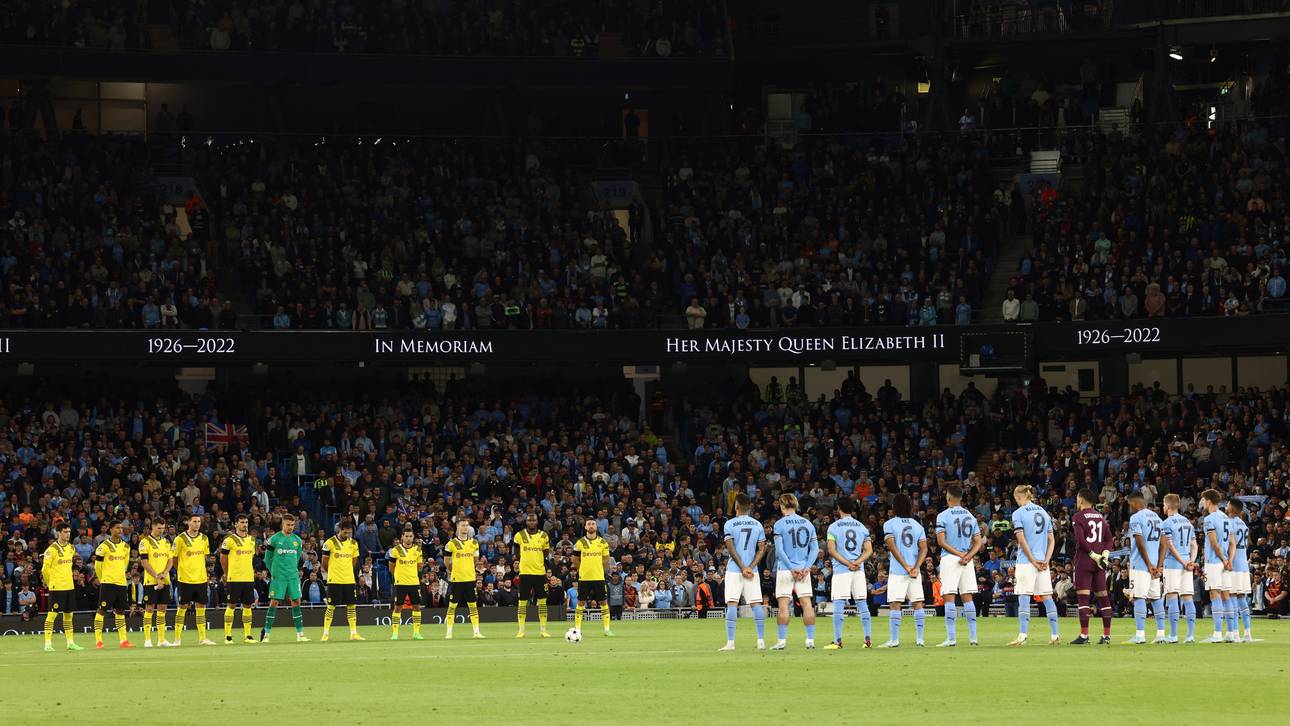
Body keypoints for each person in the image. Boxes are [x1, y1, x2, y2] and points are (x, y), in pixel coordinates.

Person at [1008, 485, 1060, 646]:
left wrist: (1032, 560)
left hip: (1027, 562)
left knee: (1024, 597)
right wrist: (1046, 560)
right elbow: (1052, 540)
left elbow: (1022, 540)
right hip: (1043, 563)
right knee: (1047, 597)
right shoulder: (1043, 512)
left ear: (1018, 497)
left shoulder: (1018, 513)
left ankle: (1022, 636)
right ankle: (1055, 635)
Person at [934, 485, 982, 647]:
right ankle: (973, 637)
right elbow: (978, 542)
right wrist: (968, 555)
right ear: (961, 498)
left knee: (949, 597)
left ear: (948, 498)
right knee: (967, 597)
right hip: (967, 561)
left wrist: (960, 555)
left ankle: (951, 638)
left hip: (950, 559)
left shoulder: (942, 516)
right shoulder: (970, 516)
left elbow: (941, 542)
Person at [718, 493, 767, 651]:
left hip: (734, 570)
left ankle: (731, 643)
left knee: (732, 603)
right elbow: (762, 548)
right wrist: (750, 567)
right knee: (756, 604)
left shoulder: (729, 524)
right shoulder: (758, 525)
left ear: (736, 507)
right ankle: (761, 641)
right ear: (750, 507)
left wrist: (742, 567)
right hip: (752, 571)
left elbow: (730, 548)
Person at [771, 493, 818, 650]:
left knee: (783, 606)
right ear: (796, 505)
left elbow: (779, 550)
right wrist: (806, 567)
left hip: (786, 569)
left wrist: (791, 568)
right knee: (807, 605)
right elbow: (815, 549)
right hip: (804, 569)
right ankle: (810, 641)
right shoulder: (808, 524)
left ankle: (782, 642)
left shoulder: (779, 524)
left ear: (782, 506)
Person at [825, 497, 873, 650]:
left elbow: (832, 551)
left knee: (839, 603)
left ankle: (837, 641)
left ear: (838, 508)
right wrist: (858, 562)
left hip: (842, 570)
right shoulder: (861, 527)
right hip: (858, 570)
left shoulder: (833, 527)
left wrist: (848, 563)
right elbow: (869, 550)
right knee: (861, 603)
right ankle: (868, 640)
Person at [880, 493, 927, 648]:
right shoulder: (917, 525)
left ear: (894, 507)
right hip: (914, 571)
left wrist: (906, 566)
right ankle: (920, 639)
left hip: (898, 570)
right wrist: (916, 567)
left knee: (895, 604)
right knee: (918, 603)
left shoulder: (889, 524)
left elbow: (892, 547)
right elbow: (924, 549)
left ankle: (894, 640)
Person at [1070, 489, 1114, 644]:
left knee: (1083, 598)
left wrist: (1093, 555)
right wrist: (1104, 556)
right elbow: (1109, 539)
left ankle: (1084, 636)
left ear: (1081, 500)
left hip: (1085, 560)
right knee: (1103, 597)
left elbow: (1080, 540)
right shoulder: (1100, 517)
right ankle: (1107, 636)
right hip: (1100, 563)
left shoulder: (1078, 516)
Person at [1125, 491, 1166, 644]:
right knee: (1156, 598)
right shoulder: (1157, 518)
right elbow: (1164, 543)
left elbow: (1140, 542)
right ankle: (1161, 635)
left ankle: (1140, 635)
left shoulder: (1135, 518)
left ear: (1135, 503)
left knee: (1138, 597)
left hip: (1141, 565)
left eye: (1129, 504)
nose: (1129, 508)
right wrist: (1159, 565)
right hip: (1155, 566)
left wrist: (1149, 564)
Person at [262, 513, 309, 642]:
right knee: (274, 602)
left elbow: (297, 557)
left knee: (296, 601)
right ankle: (267, 634)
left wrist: (292, 570)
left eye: (293, 525)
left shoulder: (297, 541)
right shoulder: (274, 539)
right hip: (279, 576)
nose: (290, 527)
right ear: (283, 524)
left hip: (292, 576)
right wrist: (273, 572)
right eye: (288, 525)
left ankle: (300, 634)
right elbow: (267, 558)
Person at [1159, 494, 1198, 643]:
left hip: (1173, 564)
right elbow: (1195, 545)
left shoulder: (1167, 523)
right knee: (1188, 598)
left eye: (1163, 504)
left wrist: (1182, 562)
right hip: (1187, 564)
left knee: (1172, 596)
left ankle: (1173, 635)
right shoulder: (1188, 522)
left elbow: (1170, 546)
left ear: (1167, 506)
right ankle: (1190, 636)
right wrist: (1191, 562)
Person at [173, 513, 215, 646]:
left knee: (201, 607)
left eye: (199, 521)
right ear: (188, 523)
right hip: (185, 579)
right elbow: (174, 558)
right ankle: (177, 639)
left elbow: (205, 557)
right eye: (194, 521)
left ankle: (202, 638)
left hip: (201, 579)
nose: (197, 524)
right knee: (182, 607)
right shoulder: (180, 539)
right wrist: (182, 570)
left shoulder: (204, 538)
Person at [92, 520, 134, 649]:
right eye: (117, 528)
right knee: (102, 609)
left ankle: (123, 641)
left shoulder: (126, 547)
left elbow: (125, 563)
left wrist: (122, 574)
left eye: (121, 528)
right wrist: (102, 578)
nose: (120, 530)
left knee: (120, 611)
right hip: (108, 582)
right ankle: (98, 640)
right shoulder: (103, 546)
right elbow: (98, 566)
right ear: (111, 529)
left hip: (121, 583)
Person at [42, 522, 83, 652]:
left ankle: (70, 642)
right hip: (56, 587)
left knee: (68, 615)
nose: (67, 534)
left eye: (69, 532)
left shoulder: (71, 548)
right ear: (58, 533)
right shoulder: (51, 550)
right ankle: (48, 643)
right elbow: (44, 569)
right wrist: (50, 583)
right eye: (65, 532)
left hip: (69, 586)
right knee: (52, 615)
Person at [1200, 489, 1234, 643]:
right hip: (1226, 563)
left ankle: (1217, 634)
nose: (1202, 503)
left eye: (1203, 500)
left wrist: (1222, 559)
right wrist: (1229, 560)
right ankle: (1231, 633)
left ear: (1208, 501)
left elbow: (1213, 543)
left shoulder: (1209, 519)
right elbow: (1233, 543)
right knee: (1226, 596)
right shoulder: (1227, 518)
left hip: (1214, 562)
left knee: (1215, 595)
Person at [321, 519, 363, 641]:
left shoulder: (354, 543)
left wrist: (348, 572)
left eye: (349, 533)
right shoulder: (329, 543)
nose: (347, 535)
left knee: (351, 606)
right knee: (331, 606)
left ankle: (354, 633)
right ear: (340, 530)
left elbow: (354, 562)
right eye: (345, 533)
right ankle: (325, 633)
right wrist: (334, 572)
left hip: (349, 580)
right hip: (334, 580)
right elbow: (324, 563)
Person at [220, 514, 258, 644]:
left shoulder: (252, 540)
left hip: (248, 578)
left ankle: (247, 635)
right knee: (231, 605)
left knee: (248, 605)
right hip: (234, 578)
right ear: (236, 524)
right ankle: (228, 636)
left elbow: (251, 558)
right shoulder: (229, 540)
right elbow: (223, 559)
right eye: (242, 522)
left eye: (246, 522)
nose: (245, 524)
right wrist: (226, 573)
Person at [572, 518, 613, 637]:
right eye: (589, 524)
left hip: (598, 577)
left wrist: (599, 567)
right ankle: (578, 629)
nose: (591, 526)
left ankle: (606, 629)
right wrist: (581, 568)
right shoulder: (580, 543)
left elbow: (606, 558)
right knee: (581, 602)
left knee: (603, 602)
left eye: (593, 524)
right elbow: (575, 559)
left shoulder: (602, 542)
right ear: (585, 527)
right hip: (584, 578)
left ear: (596, 527)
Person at [445, 519, 485, 639]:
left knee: (473, 605)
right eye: (463, 525)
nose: (465, 527)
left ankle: (476, 632)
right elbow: (447, 563)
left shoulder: (474, 542)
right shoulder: (451, 543)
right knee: (452, 606)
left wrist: (473, 568)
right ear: (458, 527)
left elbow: (475, 560)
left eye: (467, 525)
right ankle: (449, 632)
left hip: (470, 579)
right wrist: (455, 570)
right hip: (456, 579)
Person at [514, 512, 552, 638]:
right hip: (525, 573)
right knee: (522, 602)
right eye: (529, 520)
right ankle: (521, 630)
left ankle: (543, 630)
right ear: (526, 522)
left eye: (533, 520)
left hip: (540, 573)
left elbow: (546, 553)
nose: (531, 522)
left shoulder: (544, 535)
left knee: (542, 602)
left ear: (537, 522)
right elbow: (517, 552)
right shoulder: (519, 536)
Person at [138, 518, 175, 647]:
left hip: (165, 580)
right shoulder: (144, 542)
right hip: (150, 581)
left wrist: (165, 573)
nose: (161, 530)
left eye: (163, 528)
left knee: (162, 609)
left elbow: (170, 560)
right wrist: (157, 576)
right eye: (159, 528)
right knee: (149, 608)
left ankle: (161, 639)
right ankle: (147, 639)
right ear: (152, 527)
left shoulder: (166, 542)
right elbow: (144, 562)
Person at [1226, 501, 1256, 642]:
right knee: (1241, 598)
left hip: (1233, 564)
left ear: (1232, 508)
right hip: (1243, 564)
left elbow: (1229, 544)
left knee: (1231, 597)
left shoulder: (1229, 522)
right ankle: (1247, 633)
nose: (1226, 507)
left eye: (1227, 505)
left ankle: (1235, 633)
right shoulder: (1243, 525)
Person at [388, 527, 426, 640]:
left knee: (416, 607)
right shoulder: (395, 550)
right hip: (400, 583)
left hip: (414, 582)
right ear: (402, 537)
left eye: (410, 536)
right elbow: (391, 568)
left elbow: (419, 566)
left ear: (413, 537)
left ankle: (416, 633)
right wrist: (399, 577)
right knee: (398, 606)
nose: (408, 538)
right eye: (406, 536)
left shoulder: (417, 550)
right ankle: (395, 633)